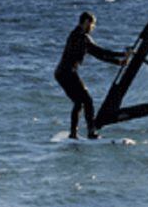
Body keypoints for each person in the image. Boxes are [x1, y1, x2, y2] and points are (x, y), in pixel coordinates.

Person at [54, 11, 129, 139]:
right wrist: (122, 55)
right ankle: (91, 132)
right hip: (67, 73)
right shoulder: (80, 37)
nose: (93, 28)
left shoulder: (78, 35)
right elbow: (100, 51)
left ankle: (74, 134)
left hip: (62, 73)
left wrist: (118, 62)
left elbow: (98, 55)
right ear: (86, 22)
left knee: (79, 102)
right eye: (92, 24)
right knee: (87, 100)